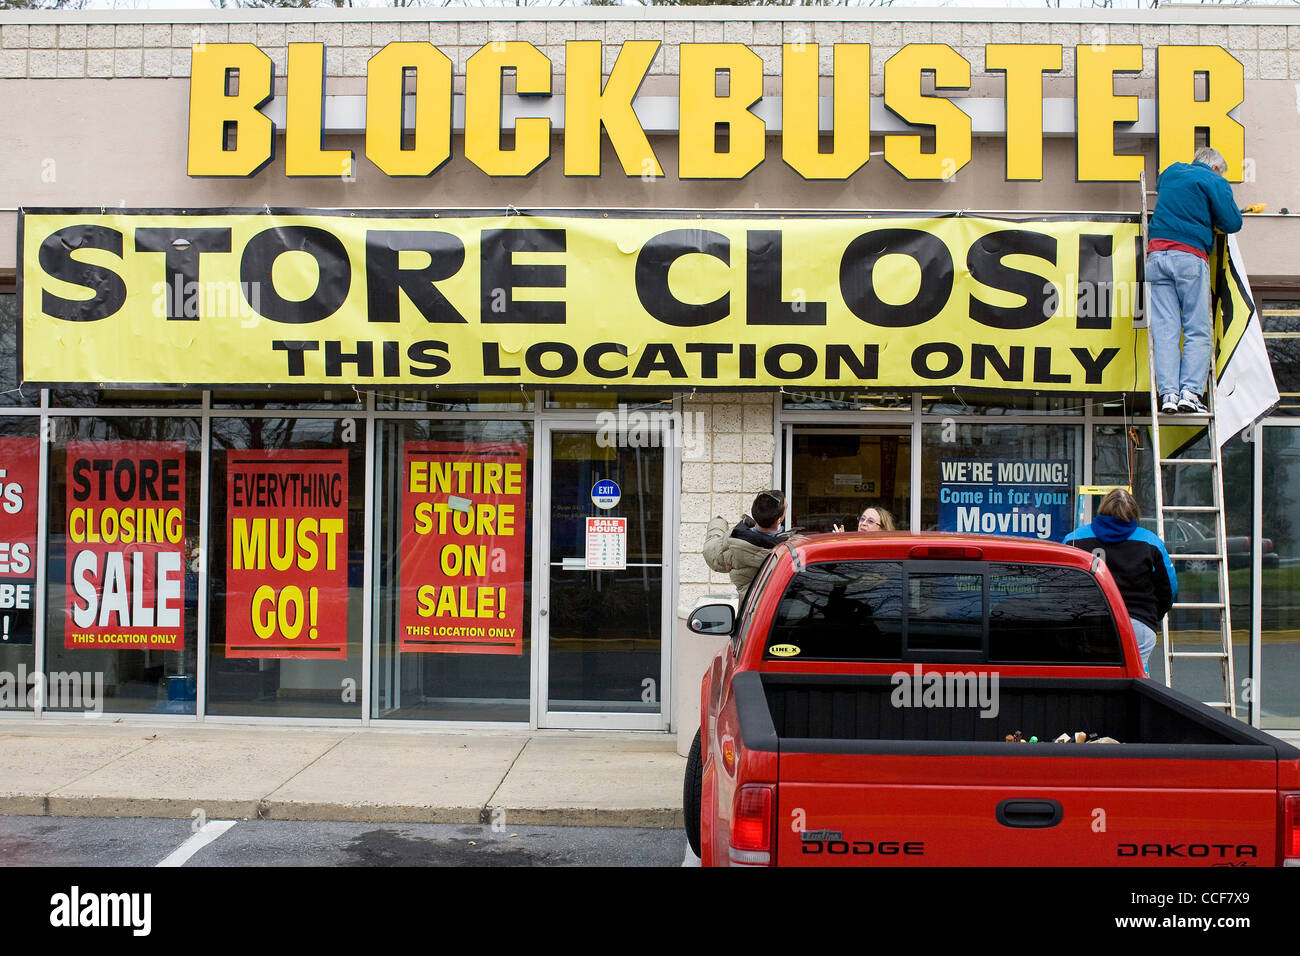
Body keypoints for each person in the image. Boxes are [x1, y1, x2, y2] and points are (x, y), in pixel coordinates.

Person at [1147, 146, 1244, 415]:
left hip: (1156, 257)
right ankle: (1190, 393)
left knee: (1166, 330)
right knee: (1197, 329)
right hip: (1189, 257)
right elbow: (1232, 222)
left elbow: (1177, 197)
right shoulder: (1214, 180)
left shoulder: (1171, 172)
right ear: (1215, 167)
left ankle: (1167, 394)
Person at [1063, 488, 1176, 676]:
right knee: (1136, 680)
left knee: (1091, 678)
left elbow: (1062, 586)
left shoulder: (1074, 540)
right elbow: (1169, 590)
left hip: (1087, 623)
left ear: (1102, 509)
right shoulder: (1151, 542)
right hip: (1138, 624)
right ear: (1133, 512)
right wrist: (1152, 616)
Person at [703, 489, 788, 604]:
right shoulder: (787, 551)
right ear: (779, 520)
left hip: (749, 616)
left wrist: (718, 523)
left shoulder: (735, 540)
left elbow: (710, 552)